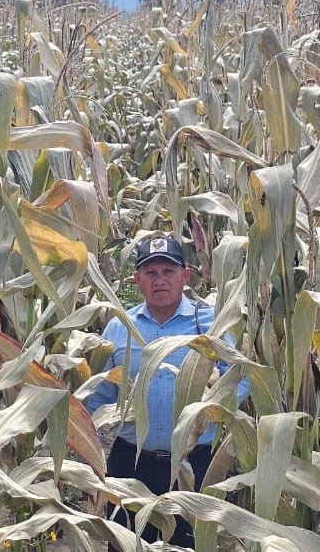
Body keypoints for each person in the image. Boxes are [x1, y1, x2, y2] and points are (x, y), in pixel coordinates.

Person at [84, 234, 249, 548]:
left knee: (192, 545)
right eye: (151, 272)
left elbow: (240, 379)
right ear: (138, 280)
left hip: (194, 466)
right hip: (129, 465)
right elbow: (99, 395)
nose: (160, 280)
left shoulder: (211, 324)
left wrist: (210, 407)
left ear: (185, 276)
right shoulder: (119, 328)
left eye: (168, 271)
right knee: (126, 544)